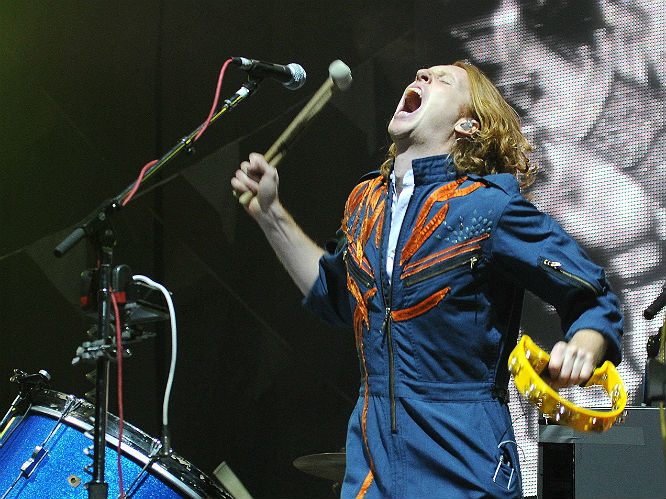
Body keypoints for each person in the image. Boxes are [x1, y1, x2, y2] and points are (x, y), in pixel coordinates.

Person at [231, 61, 623, 499]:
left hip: (463, 465)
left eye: (442, 80)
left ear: (468, 125)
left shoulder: (488, 208)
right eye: (420, 74)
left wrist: (584, 348)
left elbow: (593, 295)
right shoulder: (365, 201)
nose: (419, 74)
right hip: (371, 467)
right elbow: (335, 297)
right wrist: (271, 215)